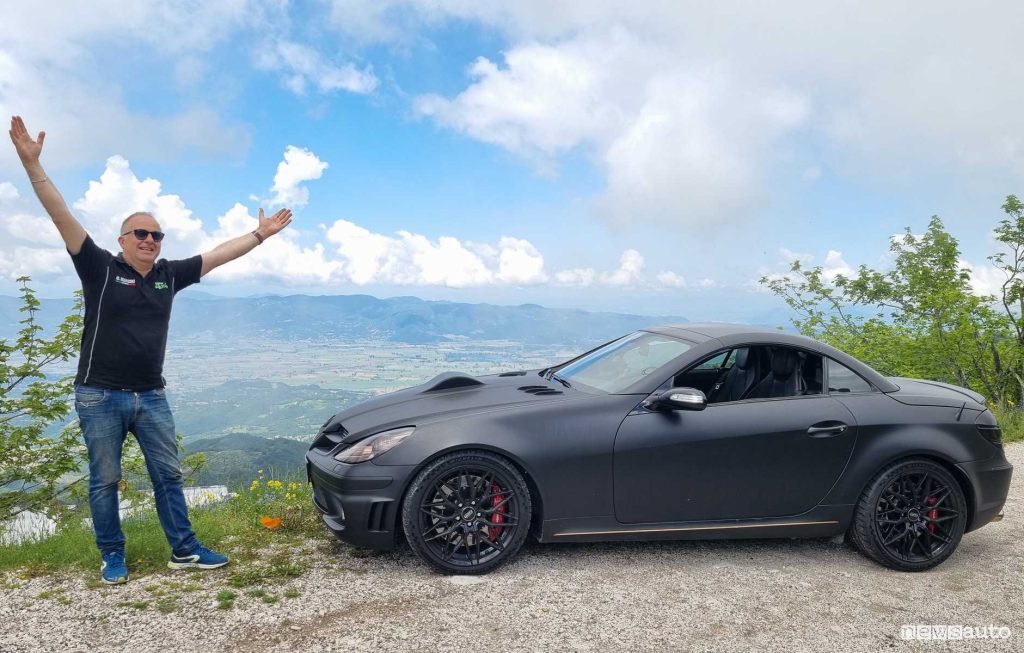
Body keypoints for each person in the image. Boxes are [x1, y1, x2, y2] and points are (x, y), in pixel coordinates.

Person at [8, 116, 293, 584]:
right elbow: (62, 216)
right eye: (140, 233)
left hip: (151, 395)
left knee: (168, 475)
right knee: (104, 481)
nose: (148, 240)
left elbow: (219, 254)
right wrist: (32, 165)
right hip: (99, 394)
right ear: (122, 241)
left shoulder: (168, 275)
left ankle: (184, 550)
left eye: (156, 235)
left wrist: (260, 234)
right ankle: (112, 556)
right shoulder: (99, 267)